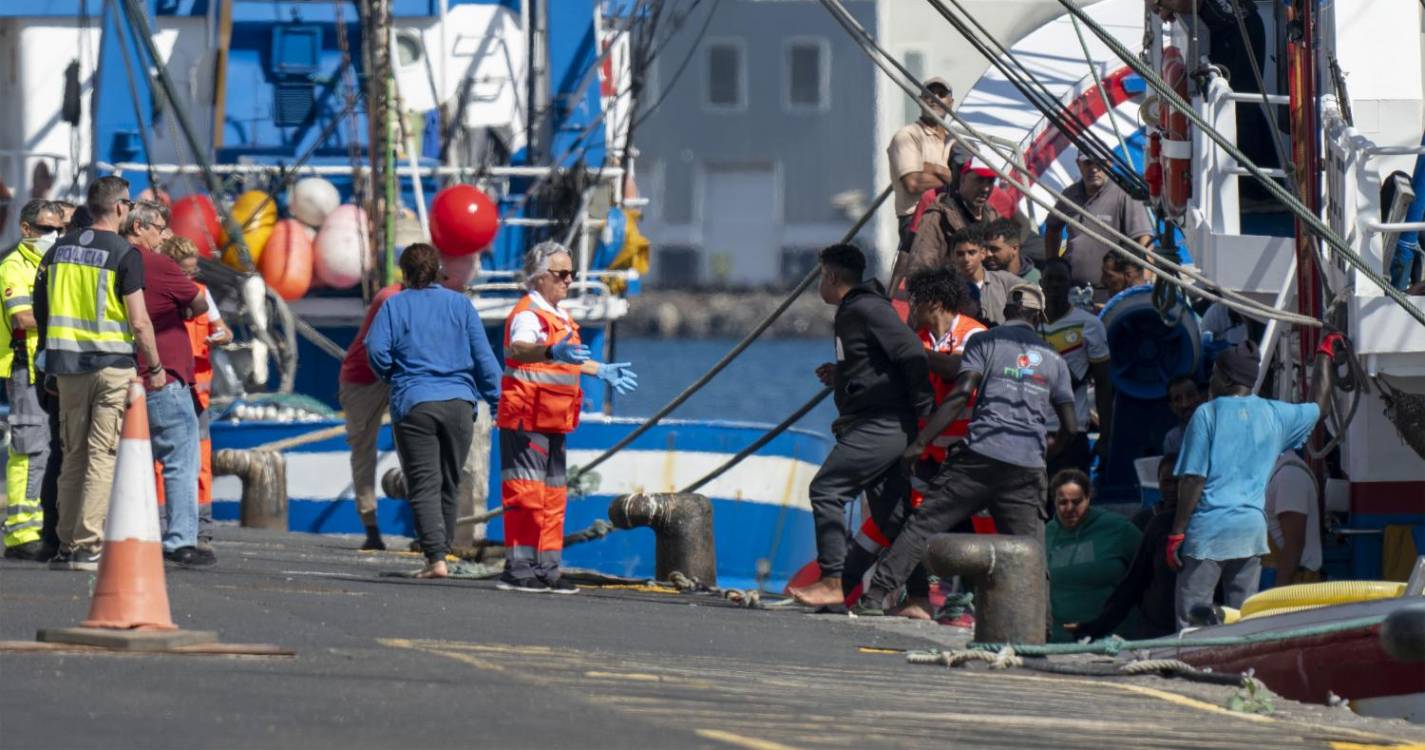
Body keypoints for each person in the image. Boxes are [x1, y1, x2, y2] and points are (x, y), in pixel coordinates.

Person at [854, 284, 1077, 616]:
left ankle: (875, 597)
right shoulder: (1054, 361)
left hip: (978, 458)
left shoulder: (984, 341)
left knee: (922, 525)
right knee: (1031, 552)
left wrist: (920, 442)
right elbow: (1070, 426)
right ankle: (1039, 629)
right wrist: (1050, 448)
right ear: (1039, 318)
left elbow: (960, 395)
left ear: (1006, 312)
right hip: (1025, 469)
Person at [790, 244, 932, 608]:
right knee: (893, 514)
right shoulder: (855, 311)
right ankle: (918, 599)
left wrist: (923, 413)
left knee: (827, 489)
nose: (820, 284)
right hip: (879, 421)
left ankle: (834, 579)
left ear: (832, 276)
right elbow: (877, 363)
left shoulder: (866, 308)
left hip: (883, 424)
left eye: (821, 276)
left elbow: (911, 352)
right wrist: (843, 375)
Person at [33, 177, 164, 571]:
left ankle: (66, 542)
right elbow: (139, 322)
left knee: (71, 454)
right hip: (111, 367)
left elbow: (42, 310)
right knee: (101, 455)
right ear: (122, 207)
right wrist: (155, 366)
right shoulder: (124, 253)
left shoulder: (57, 251)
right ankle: (88, 544)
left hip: (67, 367)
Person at [1168, 337, 1341, 630]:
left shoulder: (1206, 414)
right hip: (1251, 532)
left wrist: (1176, 532)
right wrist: (1325, 354)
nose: (1209, 380)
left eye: (1213, 373)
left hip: (1208, 532)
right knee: (1242, 616)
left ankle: (1192, 669)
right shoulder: (1276, 414)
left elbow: (1193, 478)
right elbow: (1319, 406)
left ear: (1225, 377)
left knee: (1192, 617)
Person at [841, 266, 985, 618]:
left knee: (974, 533)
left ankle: (969, 606)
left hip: (968, 454)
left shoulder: (974, 335)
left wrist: (911, 353)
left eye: (914, 301)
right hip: (928, 454)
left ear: (933, 302)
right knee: (910, 524)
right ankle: (911, 597)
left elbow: (957, 371)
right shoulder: (917, 337)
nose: (909, 308)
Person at [496, 240, 638, 593]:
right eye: (561, 274)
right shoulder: (529, 314)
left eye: (571, 274)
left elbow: (563, 359)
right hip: (527, 420)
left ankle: (547, 568)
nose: (569, 280)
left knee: (553, 498)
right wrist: (549, 349)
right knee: (526, 496)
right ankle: (519, 567)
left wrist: (598, 369)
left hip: (554, 420)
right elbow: (520, 348)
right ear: (540, 277)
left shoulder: (559, 317)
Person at [365, 244, 501, 579]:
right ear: (438, 271)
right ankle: (445, 551)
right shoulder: (460, 305)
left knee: (424, 483)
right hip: (459, 405)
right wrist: (498, 402)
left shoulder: (395, 306)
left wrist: (392, 374)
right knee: (449, 483)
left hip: (416, 402)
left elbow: (375, 348)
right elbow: (485, 360)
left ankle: (435, 558)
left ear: (405, 274)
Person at [123, 201, 211, 566]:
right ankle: (180, 540)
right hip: (163, 377)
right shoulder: (155, 263)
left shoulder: (110, 259)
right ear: (141, 226)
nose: (164, 234)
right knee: (178, 461)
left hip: (117, 374)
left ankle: (126, 535)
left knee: (125, 463)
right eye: (160, 227)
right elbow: (199, 301)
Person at [156, 236, 233, 553]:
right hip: (169, 385)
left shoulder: (202, 294)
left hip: (196, 392)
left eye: (193, 271)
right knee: (164, 461)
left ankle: (201, 527)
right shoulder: (161, 294)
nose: (190, 278)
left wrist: (220, 337)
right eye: (185, 272)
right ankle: (163, 523)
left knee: (199, 462)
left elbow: (223, 330)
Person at [0, 200, 64, 559]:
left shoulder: (48, 264)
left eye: (57, 229)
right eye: (44, 229)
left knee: (48, 447)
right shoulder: (13, 267)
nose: (52, 235)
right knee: (29, 447)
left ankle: (37, 525)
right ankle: (21, 533)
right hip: (25, 366)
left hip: (47, 365)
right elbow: (23, 318)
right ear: (25, 229)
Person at [1071, 455, 1182, 639]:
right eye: (1167, 482)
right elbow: (1133, 581)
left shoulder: (1204, 524)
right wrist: (1099, 626)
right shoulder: (1151, 522)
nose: (1172, 489)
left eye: (1178, 482)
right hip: (1156, 630)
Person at [339, 277, 402, 551]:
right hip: (363, 378)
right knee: (363, 447)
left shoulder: (428, 298)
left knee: (418, 442)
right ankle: (371, 525)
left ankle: (426, 520)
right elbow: (379, 347)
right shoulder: (389, 299)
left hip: (399, 375)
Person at [1044, 469, 1142, 641]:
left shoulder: (1118, 529)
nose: (1069, 508)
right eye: (1062, 502)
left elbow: (1147, 572)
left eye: (1076, 502)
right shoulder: (1046, 534)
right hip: (1059, 642)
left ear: (1089, 498)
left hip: (1111, 640)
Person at [1038, 259, 1113, 478]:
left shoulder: (1089, 324)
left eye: (1061, 279)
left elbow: (1103, 383)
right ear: (1040, 283)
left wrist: (1105, 436)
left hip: (1072, 430)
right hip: (1033, 430)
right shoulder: (1029, 323)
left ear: (1070, 284)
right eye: (1049, 279)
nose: (1054, 285)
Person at [1044, 153, 1154, 295]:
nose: (1094, 169)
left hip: (1111, 292)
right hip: (1073, 290)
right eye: (1088, 163)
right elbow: (1052, 229)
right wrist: (1052, 266)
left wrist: (1143, 284)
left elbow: (1145, 241)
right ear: (1079, 164)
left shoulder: (1124, 195)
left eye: (1100, 163)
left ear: (1109, 164)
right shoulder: (1069, 195)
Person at [887, 77, 956, 252]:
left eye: (941, 94)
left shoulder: (957, 139)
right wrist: (955, 180)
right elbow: (913, 183)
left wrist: (935, 169)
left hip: (952, 216)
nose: (934, 98)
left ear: (951, 102)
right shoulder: (907, 136)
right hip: (917, 218)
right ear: (920, 100)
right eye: (928, 95)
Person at [906, 157, 1003, 276]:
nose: (985, 188)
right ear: (962, 180)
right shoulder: (938, 217)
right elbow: (920, 270)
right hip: (950, 290)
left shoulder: (993, 216)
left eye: (990, 181)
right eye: (979, 180)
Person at [1265, 449, 1322, 585]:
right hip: (1269, 578)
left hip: (1293, 585)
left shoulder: (1289, 475)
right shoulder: (1275, 471)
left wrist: (1279, 597)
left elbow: (1294, 544)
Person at [949, 223, 1021, 325]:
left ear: (983, 253)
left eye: (972, 252)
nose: (966, 259)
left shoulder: (1005, 281)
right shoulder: (949, 290)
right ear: (952, 256)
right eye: (960, 254)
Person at [983, 218, 1040, 285]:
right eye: (985, 248)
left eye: (994, 249)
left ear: (1014, 248)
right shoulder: (981, 280)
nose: (988, 254)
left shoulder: (1035, 281)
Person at [1161, 375, 1204, 454]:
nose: (1185, 404)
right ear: (1172, 407)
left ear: (1201, 397)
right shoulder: (1172, 440)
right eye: (1178, 399)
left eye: (1190, 395)